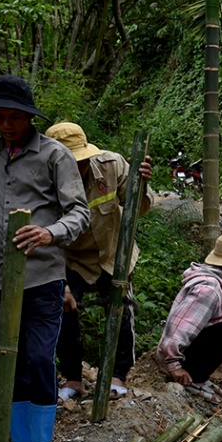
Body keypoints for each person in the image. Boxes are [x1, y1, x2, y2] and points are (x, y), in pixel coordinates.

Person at [0, 75, 90, 442]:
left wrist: (48, 232)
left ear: (29, 118)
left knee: (38, 359)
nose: (5, 125)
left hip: (42, 278)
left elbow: (79, 212)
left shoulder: (55, 156)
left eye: (14, 117)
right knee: (3, 362)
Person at [47, 122, 153, 401]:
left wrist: (140, 184)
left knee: (121, 310)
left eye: (80, 161)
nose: (76, 167)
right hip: (72, 258)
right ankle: (72, 378)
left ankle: (118, 376)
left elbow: (139, 207)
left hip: (112, 253)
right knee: (64, 311)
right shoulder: (42, 183)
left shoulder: (111, 165)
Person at [156, 234, 222, 395]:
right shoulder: (208, 289)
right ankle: (194, 377)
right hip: (178, 359)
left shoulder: (215, 281)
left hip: (184, 352)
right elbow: (179, 328)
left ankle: (199, 376)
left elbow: (217, 311)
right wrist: (174, 366)